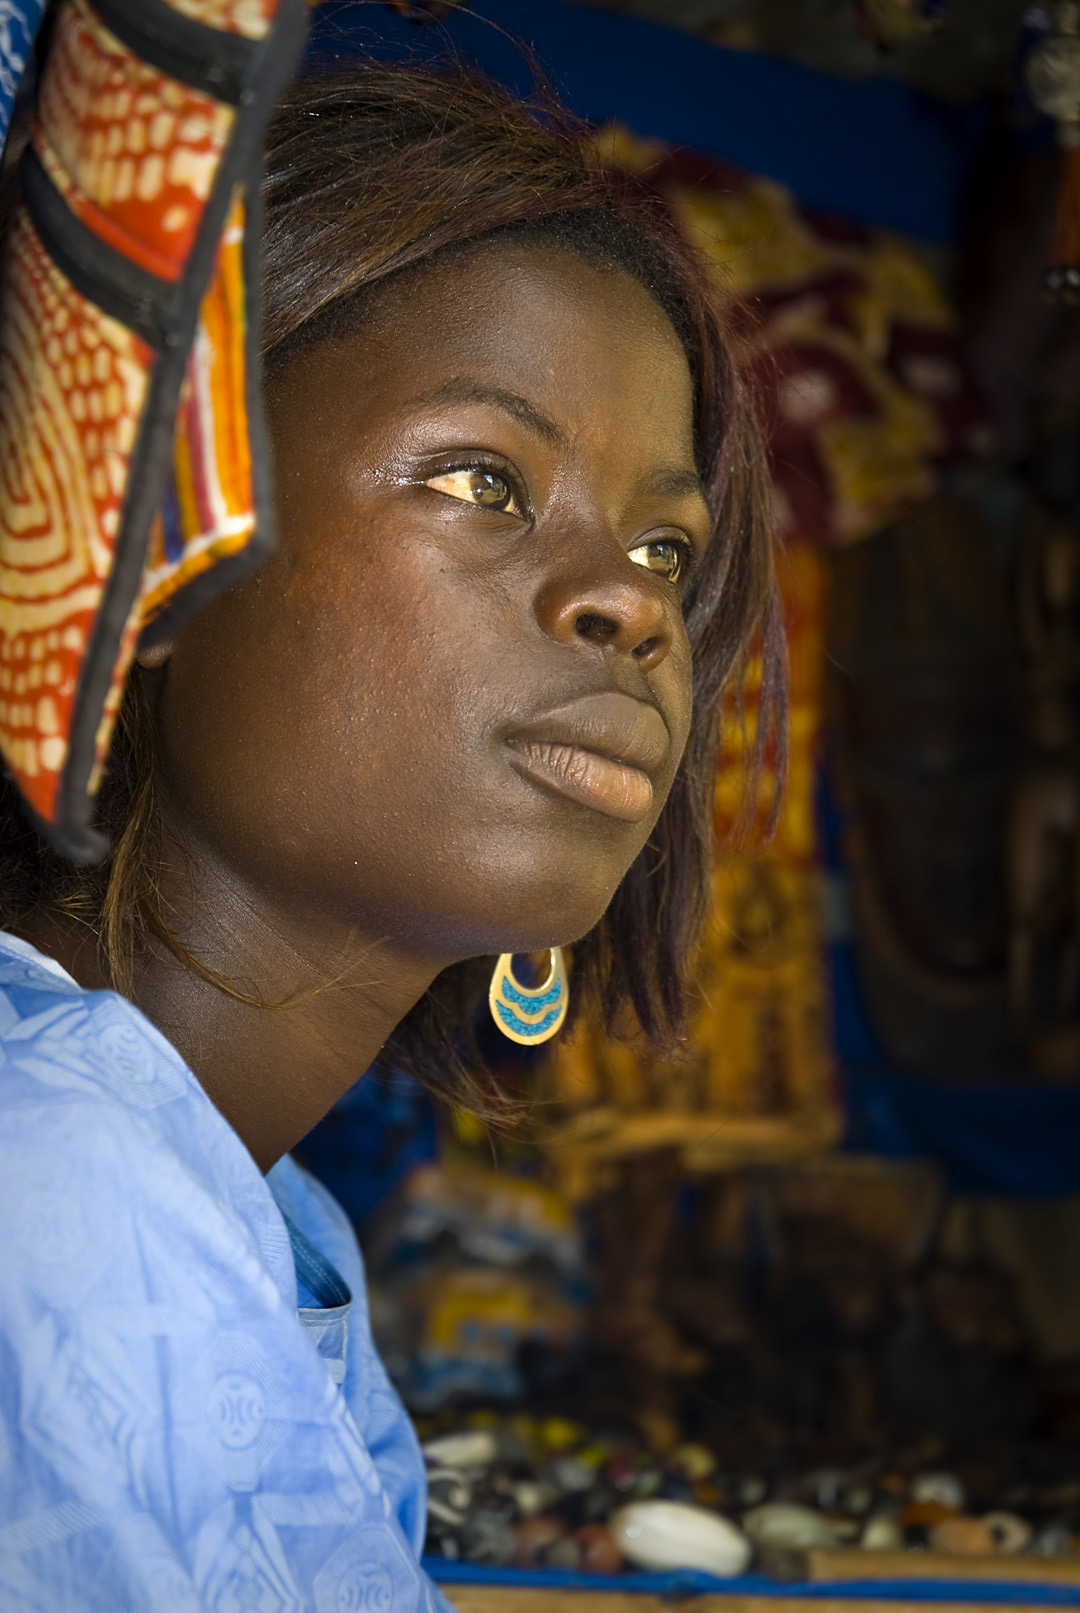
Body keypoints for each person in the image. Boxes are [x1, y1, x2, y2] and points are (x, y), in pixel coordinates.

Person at [0, 58, 782, 1612]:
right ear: (157, 539)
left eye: (662, 545)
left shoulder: (269, 1223)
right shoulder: (61, 1181)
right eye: (486, 479)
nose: (630, 606)